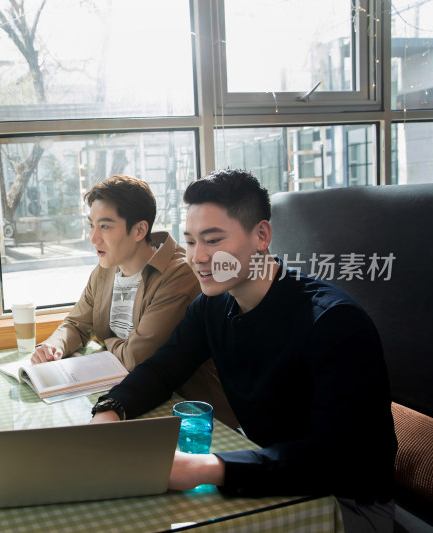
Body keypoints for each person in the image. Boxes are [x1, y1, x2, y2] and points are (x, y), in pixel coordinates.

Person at [89, 169, 397, 532]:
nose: (198, 257)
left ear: (261, 235)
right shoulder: (213, 305)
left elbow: (331, 456)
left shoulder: (335, 323)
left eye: (213, 240)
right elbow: (161, 369)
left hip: (345, 503)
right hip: (272, 476)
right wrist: (109, 412)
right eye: (190, 242)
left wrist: (209, 467)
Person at [31, 175, 235, 424]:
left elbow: (137, 359)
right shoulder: (105, 269)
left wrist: (105, 340)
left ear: (139, 230)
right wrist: (55, 346)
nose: (93, 237)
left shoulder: (180, 272)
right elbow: (76, 323)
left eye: (105, 226)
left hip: (191, 414)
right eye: (91, 225)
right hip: (131, 396)